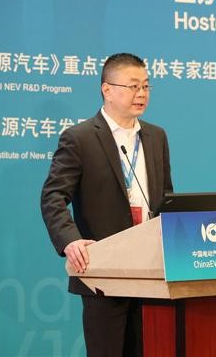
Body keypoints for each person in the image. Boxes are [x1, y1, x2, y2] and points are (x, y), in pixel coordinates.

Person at [40, 52, 173, 357]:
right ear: (107, 89)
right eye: (133, 86)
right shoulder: (80, 138)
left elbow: (166, 196)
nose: (141, 94)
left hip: (153, 271)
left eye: (146, 86)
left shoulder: (156, 137)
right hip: (104, 271)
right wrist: (70, 241)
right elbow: (53, 196)